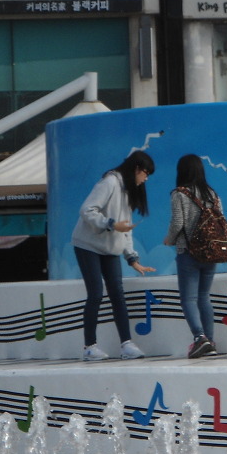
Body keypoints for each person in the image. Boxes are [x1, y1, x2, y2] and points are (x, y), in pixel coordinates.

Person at [71, 150, 156, 361]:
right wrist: (110, 224)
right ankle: (89, 347)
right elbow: (87, 210)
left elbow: (126, 229)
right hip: (88, 244)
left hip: (110, 248)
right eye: (145, 173)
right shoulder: (110, 182)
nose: (146, 178)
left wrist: (132, 258)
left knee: (117, 293)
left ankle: (127, 344)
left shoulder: (128, 191)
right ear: (136, 168)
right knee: (96, 293)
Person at [164, 153, 222, 358]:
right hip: (212, 253)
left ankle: (199, 338)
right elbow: (221, 221)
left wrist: (169, 239)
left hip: (188, 253)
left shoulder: (179, 194)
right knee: (204, 297)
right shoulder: (212, 194)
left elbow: (178, 223)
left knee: (188, 299)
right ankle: (210, 342)